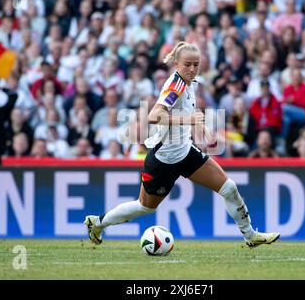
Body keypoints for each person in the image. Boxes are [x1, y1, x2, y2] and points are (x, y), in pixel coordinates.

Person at [84, 42, 280, 248]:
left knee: (229, 188)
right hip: (164, 159)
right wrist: (189, 121)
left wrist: (198, 126)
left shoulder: (190, 83)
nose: (193, 69)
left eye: (196, 64)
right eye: (188, 64)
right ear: (176, 64)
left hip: (185, 152)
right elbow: (154, 115)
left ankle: (250, 235)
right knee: (145, 207)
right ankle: (97, 223)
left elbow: (185, 115)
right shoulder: (175, 85)